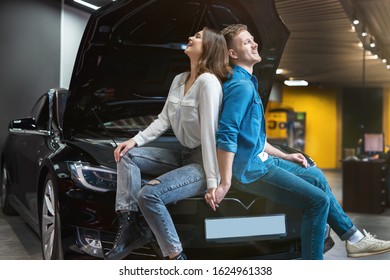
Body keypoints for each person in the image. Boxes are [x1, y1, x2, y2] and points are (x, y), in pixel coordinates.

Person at [205, 23, 390, 260]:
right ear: (232, 53)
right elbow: (227, 133)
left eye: (253, 39)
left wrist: (285, 155)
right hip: (251, 170)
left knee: (316, 175)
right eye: (247, 42)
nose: (255, 44)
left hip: (261, 160)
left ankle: (354, 238)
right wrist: (225, 182)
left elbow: (254, 138)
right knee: (318, 202)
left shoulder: (248, 82)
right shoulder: (241, 86)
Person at [105, 27, 231, 260]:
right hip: (185, 155)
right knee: (127, 156)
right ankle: (129, 226)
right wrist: (134, 140)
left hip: (203, 162)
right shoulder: (179, 79)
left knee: (148, 195)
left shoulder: (209, 82)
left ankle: (176, 257)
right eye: (192, 34)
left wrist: (214, 182)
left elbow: (209, 134)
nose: (190, 38)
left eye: (198, 37)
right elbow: (163, 119)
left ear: (210, 48)